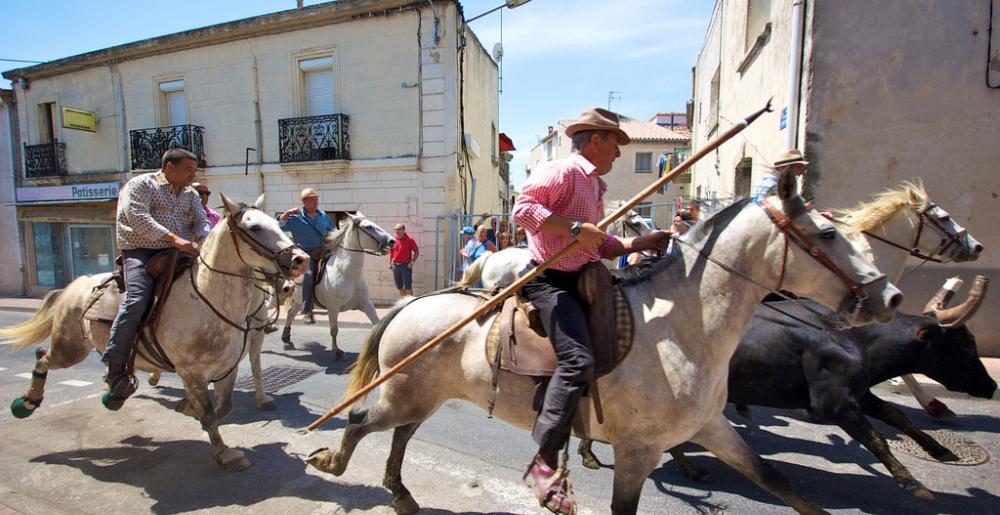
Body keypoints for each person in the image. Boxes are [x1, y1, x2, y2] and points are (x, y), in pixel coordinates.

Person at [512, 107, 670, 514]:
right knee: (578, 361)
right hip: (549, 278)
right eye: (616, 143)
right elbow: (523, 212)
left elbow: (600, 246)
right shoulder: (562, 171)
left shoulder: (595, 187)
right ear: (596, 140)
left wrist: (638, 244)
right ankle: (544, 463)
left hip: (584, 275)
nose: (619, 153)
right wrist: (577, 229)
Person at [102, 148, 206, 409]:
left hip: (180, 250)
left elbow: (201, 221)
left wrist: (204, 238)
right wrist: (173, 238)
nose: (193, 175)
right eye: (189, 170)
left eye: (195, 170)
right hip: (142, 250)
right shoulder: (140, 185)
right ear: (170, 167)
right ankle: (116, 366)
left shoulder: (191, 194)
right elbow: (137, 217)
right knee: (136, 300)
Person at [279, 188, 336, 324]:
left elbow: (333, 231)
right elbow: (279, 226)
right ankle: (307, 310)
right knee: (309, 276)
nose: (315, 202)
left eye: (316, 199)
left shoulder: (323, 216)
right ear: (304, 202)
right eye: (311, 199)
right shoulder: (295, 218)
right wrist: (287, 213)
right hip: (306, 254)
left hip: (324, 251)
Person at [388, 223, 419, 296]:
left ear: (404, 230)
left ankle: (411, 305)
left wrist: (412, 263)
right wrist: (390, 263)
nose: (397, 231)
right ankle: (405, 304)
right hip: (395, 267)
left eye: (399, 229)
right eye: (396, 229)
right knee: (400, 287)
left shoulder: (410, 239)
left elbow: (417, 252)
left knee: (407, 287)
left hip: (406, 266)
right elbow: (391, 252)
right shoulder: (393, 240)